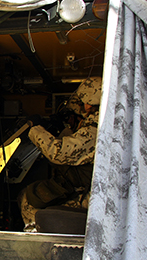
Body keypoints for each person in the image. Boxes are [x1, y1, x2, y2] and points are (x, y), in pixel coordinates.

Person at [19, 77, 102, 232]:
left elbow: (57, 152)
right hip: (92, 191)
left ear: (89, 104)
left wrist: (33, 129)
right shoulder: (107, 124)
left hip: (94, 199)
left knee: (29, 201)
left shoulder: (96, 129)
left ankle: (38, 242)